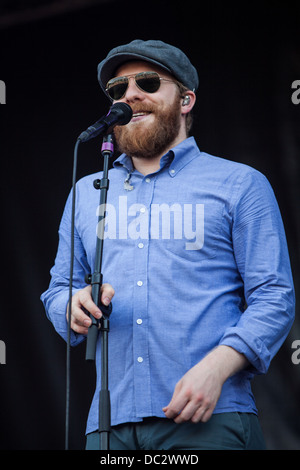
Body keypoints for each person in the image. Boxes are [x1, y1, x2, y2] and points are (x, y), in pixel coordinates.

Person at [41, 39, 295, 450]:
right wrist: (70, 304)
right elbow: (57, 289)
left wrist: (216, 368)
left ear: (186, 100)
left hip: (209, 419)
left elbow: (275, 296)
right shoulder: (87, 193)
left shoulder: (239, 183)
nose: (131, 95)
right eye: (118, 89)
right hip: (109, 427)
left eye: (147, 82)